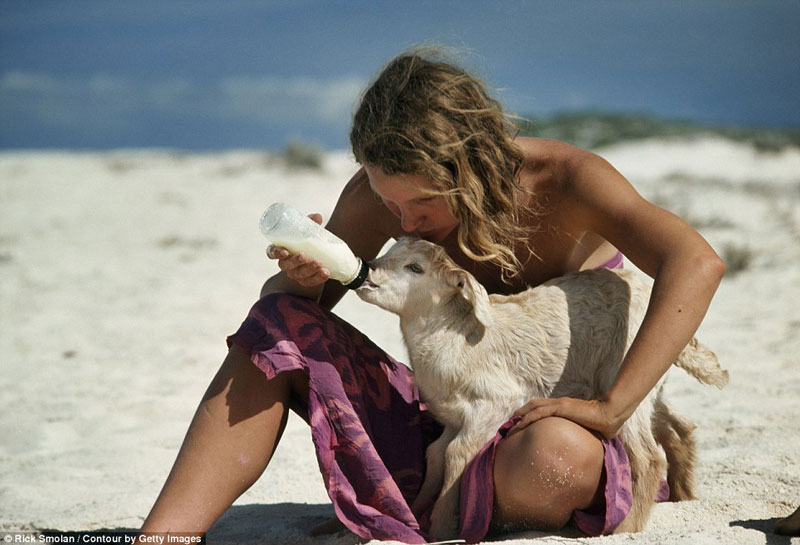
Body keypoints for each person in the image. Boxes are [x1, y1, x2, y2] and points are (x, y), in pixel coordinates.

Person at [140, 50, 725, 542]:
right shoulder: (380, 197)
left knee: (556, 458)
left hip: (551, 426)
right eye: (391, 204)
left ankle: (428, 512)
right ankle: (166, 535)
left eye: (422, 203)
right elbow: (286, 323)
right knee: (275, 319)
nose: (405, 222)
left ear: (473, 162)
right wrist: (303, 280)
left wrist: (612, 408)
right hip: (442, 421)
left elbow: (696, 263)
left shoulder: (568, 182)